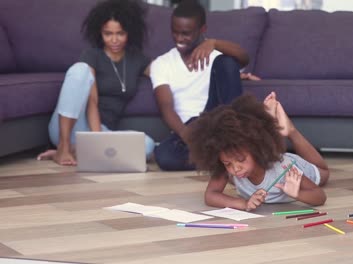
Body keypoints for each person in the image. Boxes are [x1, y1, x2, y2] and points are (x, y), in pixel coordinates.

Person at [37, 0, 155, 165]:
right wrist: (97, 140)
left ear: (130, 32)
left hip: (103, 131)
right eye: (108, 34)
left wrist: (204, 44)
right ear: (100, 33)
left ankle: (75, 150)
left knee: (147, 146)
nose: (114, 40)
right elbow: (92, 102)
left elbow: (165, 71)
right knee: (80, 70)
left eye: (120, 33)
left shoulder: (137, 59)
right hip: (73, 126)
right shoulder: (92, 56)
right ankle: (64, 147)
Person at [149, 0, 257, 171]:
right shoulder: (161, 64)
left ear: (202, 30)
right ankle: (224, 156)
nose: (179, 39)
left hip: (219, 120)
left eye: (186, 34)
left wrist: (214, 43)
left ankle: (230, 145)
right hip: (191, 129)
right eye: (175, 32)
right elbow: (166, 108)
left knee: (227, 61)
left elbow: (244, 58)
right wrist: (191, 139)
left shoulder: (215, 55)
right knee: (164, 156)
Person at [186, 92, 330, 211]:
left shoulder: (285, 169)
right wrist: (243, 204)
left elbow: (320, 196)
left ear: (256, 150)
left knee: (323, 172)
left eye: (241, 160)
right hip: (272, 157)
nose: (235, 169)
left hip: (297, 166)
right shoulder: (229, 166)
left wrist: (297, 193)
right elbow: (210, 195)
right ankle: (271, 123)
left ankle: (290, 131)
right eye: (227, 163)